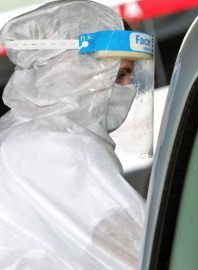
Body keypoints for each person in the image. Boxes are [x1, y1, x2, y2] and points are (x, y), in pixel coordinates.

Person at [0, 0, 152, 268]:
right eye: (119, 75)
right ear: (72, 65)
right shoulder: (63, 145)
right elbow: (146, 245)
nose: (127, 88)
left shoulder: (16, 133)